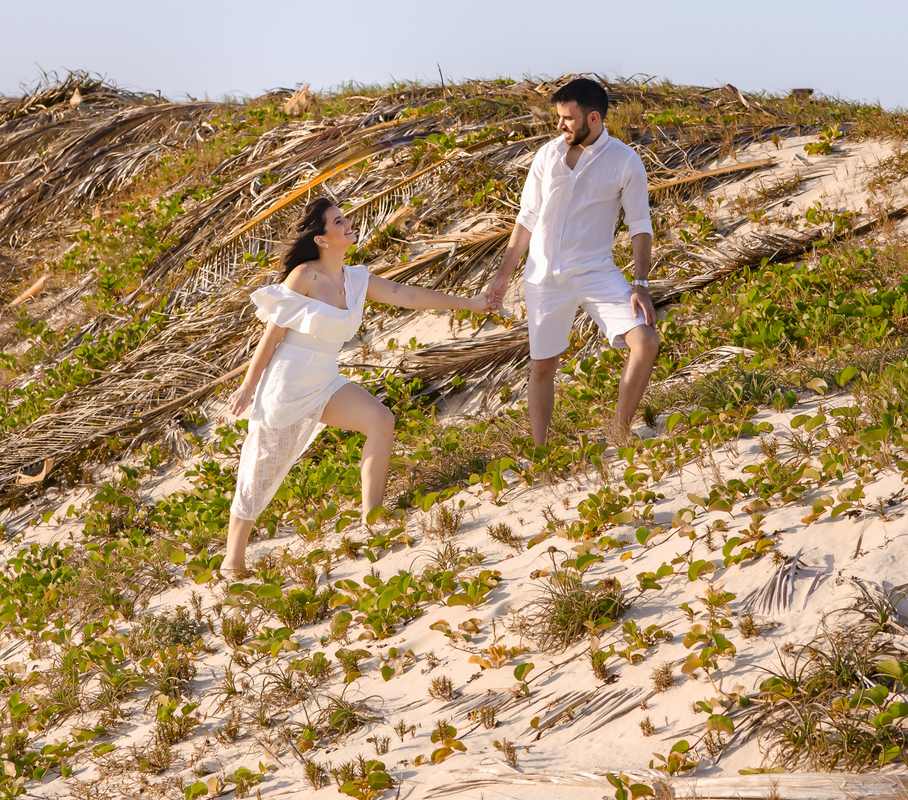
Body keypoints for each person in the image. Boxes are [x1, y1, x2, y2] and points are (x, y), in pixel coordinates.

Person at [221, 198, 499, 576]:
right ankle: (232, 561)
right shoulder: (304, 276)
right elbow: (271, 338)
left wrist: (470, 302)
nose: (348, 224)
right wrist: (248, 387)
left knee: (380, 421)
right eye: (339, 221)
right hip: (285, 385)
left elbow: (410, 296)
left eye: (345, 218)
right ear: (321, 239)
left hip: (322, 378)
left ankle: (372, 519)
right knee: (261, 470)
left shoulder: (356, 280)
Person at [487, 78, 660, 446]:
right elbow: (527, 217)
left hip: (595, 271)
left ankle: (619, 432)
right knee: (543, 367)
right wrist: (504, 275)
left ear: (593, 118)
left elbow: (640, 226)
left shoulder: (625, 161)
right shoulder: (546, 156)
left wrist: (640, 284)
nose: (560, 125)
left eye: (567, 118)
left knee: (644, 340)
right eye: (558, 118)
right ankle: (541, 453)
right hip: (543, 277)